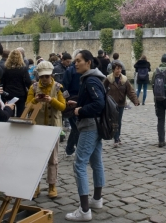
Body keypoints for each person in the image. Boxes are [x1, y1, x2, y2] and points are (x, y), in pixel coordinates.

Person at [65, 50, 106, 221]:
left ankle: (84, 210)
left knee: (79, 164)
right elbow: (94, 100)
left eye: (79, 61)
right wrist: (79, 102)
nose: (75, 63)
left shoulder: (90, 80)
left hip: (89, 125)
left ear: (88, 62)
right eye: (75, 61)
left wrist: (80, 109)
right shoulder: (93, 79)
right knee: (96, 162)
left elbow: (99, 103)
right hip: (96, 125)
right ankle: (96, 199)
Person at [26, 61, 66, 198]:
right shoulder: (33, 88)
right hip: (36, 128)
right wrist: (36, 100)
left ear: (51, 75)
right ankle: (36, 185)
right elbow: (27, 106)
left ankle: (52, 186)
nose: (44, 79)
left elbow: (63, 106)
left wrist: (51, 100)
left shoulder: (58, 87)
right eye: (42, 76)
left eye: (47, 76)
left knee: (53, 159)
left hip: (53, 127)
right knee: (36, 158)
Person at [104, 60, 139, 146]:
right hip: (111, 104)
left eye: (120, 69)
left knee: (118, 121)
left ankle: (117, 136)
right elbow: (102, 90)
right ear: (113, 70)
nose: (119, 71)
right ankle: (115, 137)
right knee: (113, 121)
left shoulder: (124, 80)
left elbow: (130, 91)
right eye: (117, 69)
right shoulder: (108, 79)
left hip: (121, 103)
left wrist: (135, 100)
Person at [63, 49, 82, 157]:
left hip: (82, 101)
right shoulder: (70, 71)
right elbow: (64, 87)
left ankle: (70, 148)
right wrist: (67, 100)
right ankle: (77, 150)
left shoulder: (85, 71)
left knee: (77, 127)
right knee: (76, 127)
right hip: (71, 101)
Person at [2, 49, 32, 116]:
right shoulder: (23, 68)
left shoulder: (5, 68)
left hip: (8, 93)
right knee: (20, 114)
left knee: (9, 112)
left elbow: (3, 81)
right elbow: (28, 81)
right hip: (20, 93)